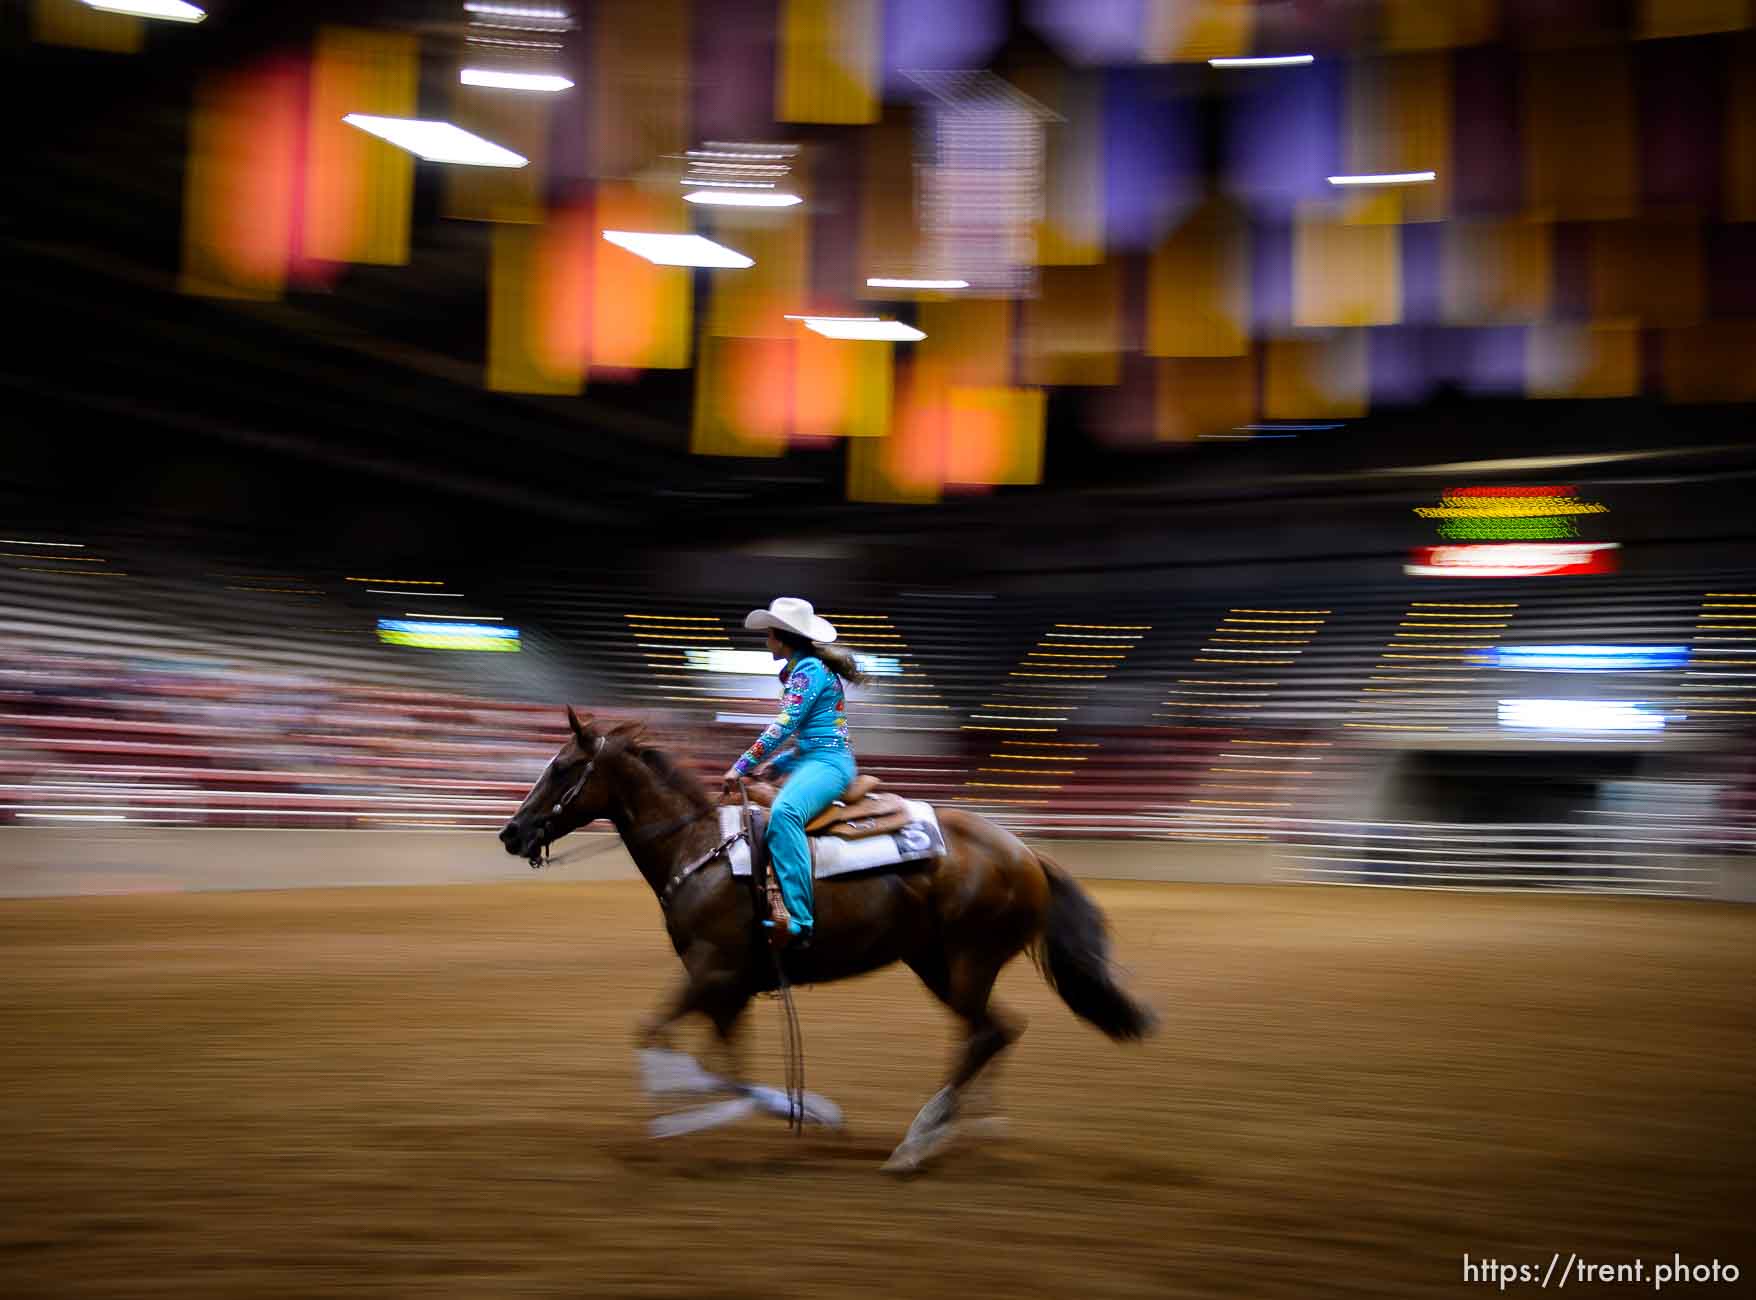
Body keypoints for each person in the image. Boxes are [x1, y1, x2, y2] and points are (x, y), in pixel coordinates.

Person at [721, 597, 865, 947]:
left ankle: (801, 920)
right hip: (812, 759)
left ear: (781, 638)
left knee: (785, 814)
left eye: (769, 634)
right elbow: (807, 734)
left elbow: (784, 726)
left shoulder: (809, 671)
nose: (766, 640)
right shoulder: (804, 670)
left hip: (828, 763)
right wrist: (775, 767)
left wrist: (741, 766)